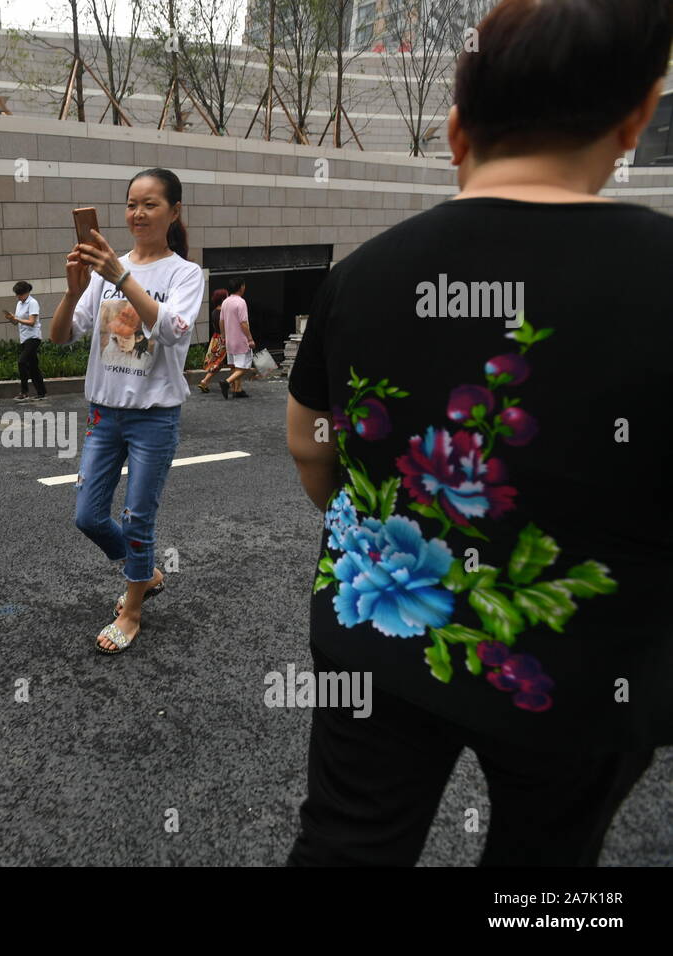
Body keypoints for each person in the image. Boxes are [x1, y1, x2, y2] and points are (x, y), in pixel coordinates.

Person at [285, 0, 673, 866]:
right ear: (635, 120)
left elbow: (312, 448)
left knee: (348, 840)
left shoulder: (360, 277)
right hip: (585, 671)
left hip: (374, 631)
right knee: (549, 864)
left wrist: (377, 531)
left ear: (457, 129)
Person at [50, 167, 204, 653]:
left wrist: (121, 277)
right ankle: (146, 571)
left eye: (150, 204)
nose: (138, 213)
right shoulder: (104, 272)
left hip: (154, 416)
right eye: (132, 204)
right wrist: (76, 290)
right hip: (103, 413)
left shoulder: (184, 274)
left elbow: (174, 331)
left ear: (174, 211)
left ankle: (132, 607)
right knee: (88, 516)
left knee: (138, 516)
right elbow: (60, 337)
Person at [3, 280, 46, 401]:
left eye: (19, 294)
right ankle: (41, 392)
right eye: (17, 294)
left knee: (22, 362)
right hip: (24, 338)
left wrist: (16, 318)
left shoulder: (32, 303)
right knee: (33, 366)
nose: (18, 297)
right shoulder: (19, 304)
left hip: (33, 337)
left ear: (26, 292)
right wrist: (11, 318)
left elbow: (32, 322)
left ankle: (24, 391)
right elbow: (16, 323)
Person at [221, 278, 254, 399]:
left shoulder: (225, 302)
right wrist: (250, 338)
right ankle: (227, 382)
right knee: (244, 367)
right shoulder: (241, 302)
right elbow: (243, 323)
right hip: (240, 339)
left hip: (229, 339)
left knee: (234, 366)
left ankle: (237, 389)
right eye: (244, 285)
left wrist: (223, 336)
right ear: (241, 287)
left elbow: (221, 321)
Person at [196, 287, 231, 398]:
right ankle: (205, 381)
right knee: (219, 363)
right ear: (223, 299)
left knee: (217, 362)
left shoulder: (214, 312)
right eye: (226, 296)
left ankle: (205, 381)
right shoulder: (223, 313)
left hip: (216, 338)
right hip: (223, 339)